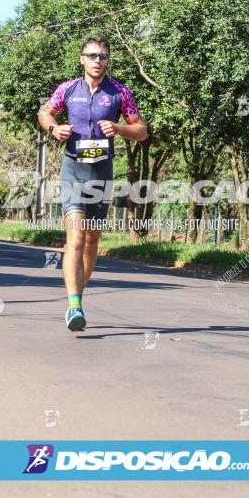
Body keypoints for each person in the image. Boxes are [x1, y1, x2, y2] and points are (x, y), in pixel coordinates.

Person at [37, 35, 147, 331]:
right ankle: (74, 306)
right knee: (75, 238)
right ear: (82, 58)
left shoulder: (120, 92)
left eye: (103, 56)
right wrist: (53, 128)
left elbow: (141, 131)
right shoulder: (67, 89)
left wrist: (120, 128)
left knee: (92, 240)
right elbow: (45, 112)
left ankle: (78, 295)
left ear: (108, 60)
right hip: (73, 169)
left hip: (102, 173)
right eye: (92, 55)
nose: (98, 60)